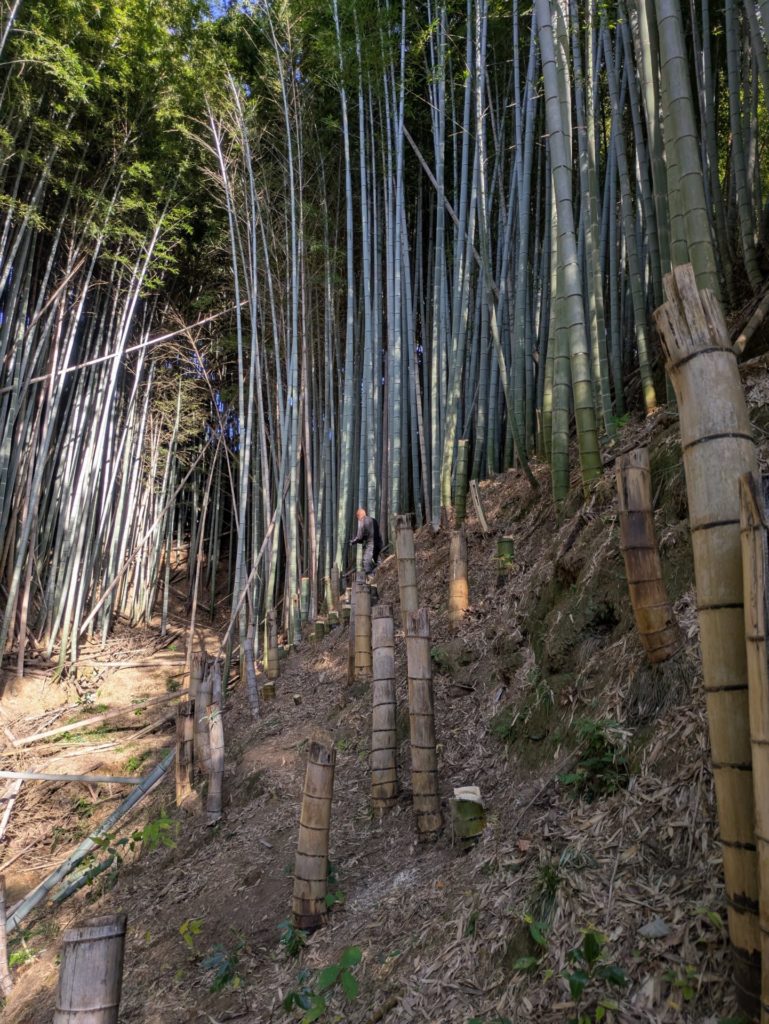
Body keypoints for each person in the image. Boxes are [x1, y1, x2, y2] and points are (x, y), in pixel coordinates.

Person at [349, 507, 383, 576]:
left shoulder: (362, 521)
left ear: (359, 516)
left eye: (357, 517)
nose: (358, 519)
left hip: (372, 544)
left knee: (366, 561)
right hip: (379, 543)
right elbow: (375, 533)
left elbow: (359, 537)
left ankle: (371, 577)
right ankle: (379, 574)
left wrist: (352, 542)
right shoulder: (373, 520)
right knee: (377, 560)